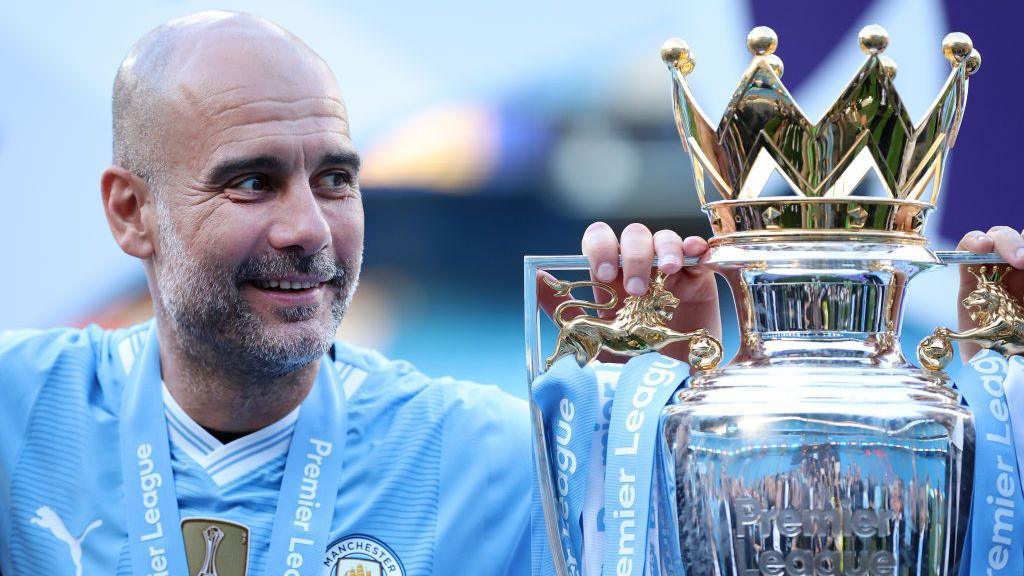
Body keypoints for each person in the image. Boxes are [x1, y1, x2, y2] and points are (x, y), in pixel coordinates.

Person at [1, 9, 1020, 576]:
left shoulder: (495, 455)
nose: (308, 227)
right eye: (252, 180)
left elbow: (809, 546)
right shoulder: (20, 414)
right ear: (130, 212)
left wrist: (676, 416)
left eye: (338, 178)